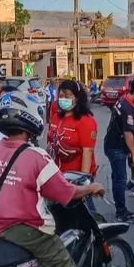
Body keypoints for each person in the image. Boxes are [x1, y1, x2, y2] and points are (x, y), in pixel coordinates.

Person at [0, 91, 105, 267]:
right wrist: (91, 188)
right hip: (27, 230)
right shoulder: (36, 156)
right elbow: (66, 194)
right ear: (31, 118)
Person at [47, 80, 98, 210]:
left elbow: (88, 151)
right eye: (61, 96)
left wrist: (83, 182)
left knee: (84, 213)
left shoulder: (86, 121)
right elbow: (49, 142)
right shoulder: (56, 118)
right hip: (57, 176)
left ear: (77, 98)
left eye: (67, 96)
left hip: (75, 178)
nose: (63, 99)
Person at [103, 78, 134, 222]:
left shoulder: (123, 102)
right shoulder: (128, 108)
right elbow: (128, 134)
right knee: (120, 179)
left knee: (118, 178)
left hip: (112, 144)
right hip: (116, 147)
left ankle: (122, 209)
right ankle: (121, 212)